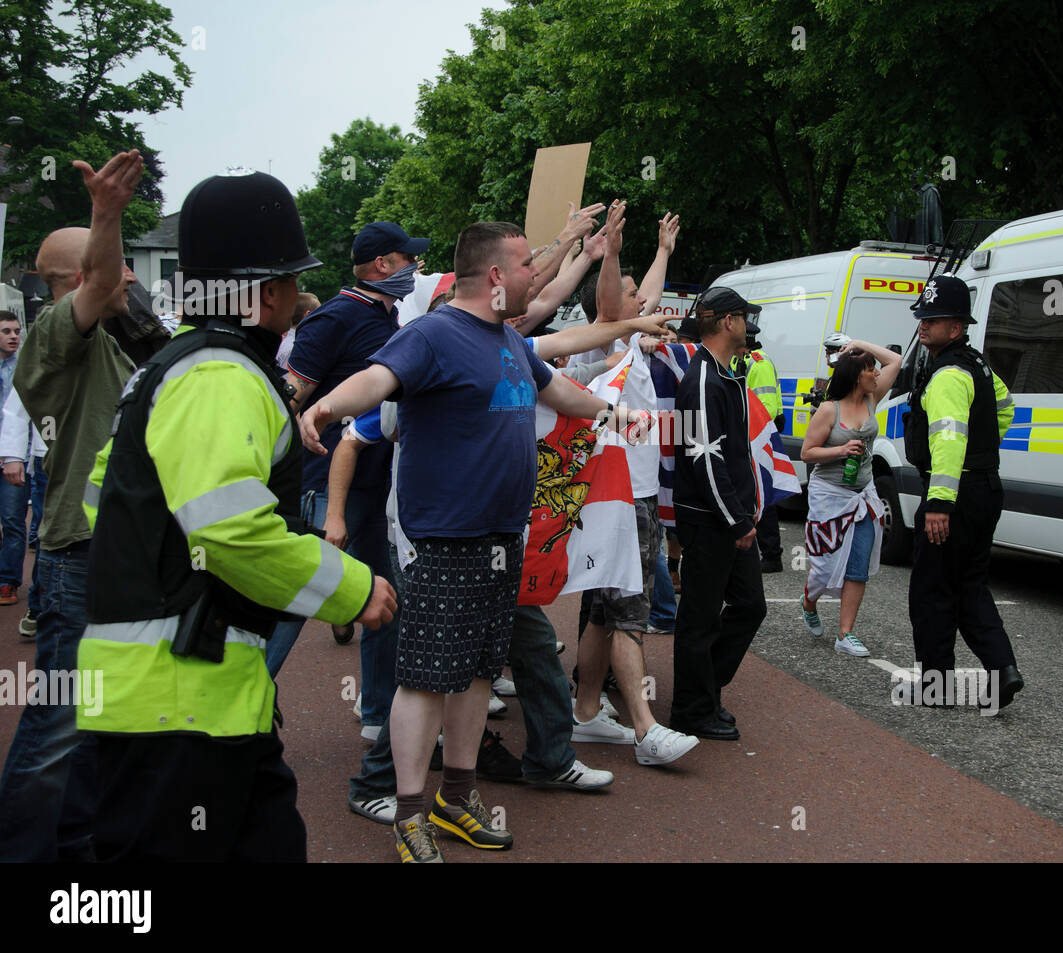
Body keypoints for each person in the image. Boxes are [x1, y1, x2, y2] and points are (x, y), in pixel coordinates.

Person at [76, 169, 396, 862]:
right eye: (287, 281)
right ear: (266, 291)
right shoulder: (222, 375)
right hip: (181, 699)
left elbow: (102, 499)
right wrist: (352, 586)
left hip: (187, 693)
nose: (291, 298)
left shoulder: (174, 365)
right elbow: (227, 528)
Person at [300, 220, 643, 863]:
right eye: (524, 266)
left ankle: (457, 800)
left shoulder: (507, 342)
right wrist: (326, 407)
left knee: (479, 675)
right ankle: (408, 814)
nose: (532, 276)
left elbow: (558, 390)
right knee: (428, 680)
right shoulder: (432, 334)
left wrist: (607, 411)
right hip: (443, 542)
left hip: (498, 540)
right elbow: (375, 381)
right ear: (494, 277)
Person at [0, 152, 143, 862]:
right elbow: (103, 280)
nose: (129, 277)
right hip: (78, 560)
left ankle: (76, 851)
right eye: (104, 264)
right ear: (67, 283)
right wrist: (107, 214)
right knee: (57, 729)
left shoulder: (126, 342)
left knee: (102, 724)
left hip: (124, 560)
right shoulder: (56, 344)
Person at [275, 220, 429, 738]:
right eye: (408, 259)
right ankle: (241, 701)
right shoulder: (332, 319)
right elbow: (291, 399)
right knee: (298, 598)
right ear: (382, 265)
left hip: (375, 483)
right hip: (329, 483)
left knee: (382, 599)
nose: (415, 267)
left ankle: (379, 714)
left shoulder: (394, 318)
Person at [567, 201, 698, 767]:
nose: (640, 298)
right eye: (627, 290)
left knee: (603, 610)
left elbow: (639, 292)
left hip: (625, 496)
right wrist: (612, 252)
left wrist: (663, 251)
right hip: (622, 498)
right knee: (629, 611)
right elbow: (606, 305)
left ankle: (587, 711)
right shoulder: (605, 338)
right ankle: (646, 730)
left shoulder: (634, 345)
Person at [902, 273, 1023, 710]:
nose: (923, 325)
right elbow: (1007, 407)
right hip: (985, 488)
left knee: (932, 591)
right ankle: (1003, 669)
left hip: (952, 495)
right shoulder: (977, 364)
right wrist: (982, 452)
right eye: (922, 317)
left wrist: (939, 503)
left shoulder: (949, 373)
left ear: (956, 328)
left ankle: (936, 688)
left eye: (933, 320)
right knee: (970, 585)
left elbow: (949, 441)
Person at [668, 286, 768, 741]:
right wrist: (737, 519)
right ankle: (691, 709)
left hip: (726, 516)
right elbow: (702, 456)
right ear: (728, 321)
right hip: (711, 519)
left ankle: (706, 691)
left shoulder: (726, 374)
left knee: (750, 605)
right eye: (744, 317)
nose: (749, 325)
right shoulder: (704, 378)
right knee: (700, 615)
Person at [799, 342, 902, 656]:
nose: (875, 373)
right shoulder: (830, 409)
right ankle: (809, 601)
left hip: (864, 494)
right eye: (870, 369)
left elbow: (896, 360)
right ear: (857, 376)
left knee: (859, 561)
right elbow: (807, 453)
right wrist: (841, 451)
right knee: (825, 566)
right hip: (829, 494)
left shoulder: (872, 398)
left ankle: (845, 634)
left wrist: (857, 344)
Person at [0, 383, 48, 636]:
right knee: (47, 532)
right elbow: (17, 407)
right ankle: (39, 606)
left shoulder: (108, 349)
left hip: (95, 453)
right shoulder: (42, 351)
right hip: (48, 456)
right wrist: (12, 455)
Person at [745, 332, 785, 572]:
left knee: (763, 495)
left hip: (756, 438)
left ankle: (771, 554)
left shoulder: (758, 363)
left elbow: (767, 408)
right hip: (750, 436)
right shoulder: (744, 359)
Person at [0, 311, 27, 606]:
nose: (13, 336)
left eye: (17, 331)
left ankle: (7, 581)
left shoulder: (25, 369)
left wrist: (15, 454)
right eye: (6, 331)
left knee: (13, 520)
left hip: (13, 456)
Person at [276, 291, 318, 370]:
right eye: (319, 314)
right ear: (308, 315)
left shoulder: (285, 341)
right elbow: (286, 380)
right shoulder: (295, 348)